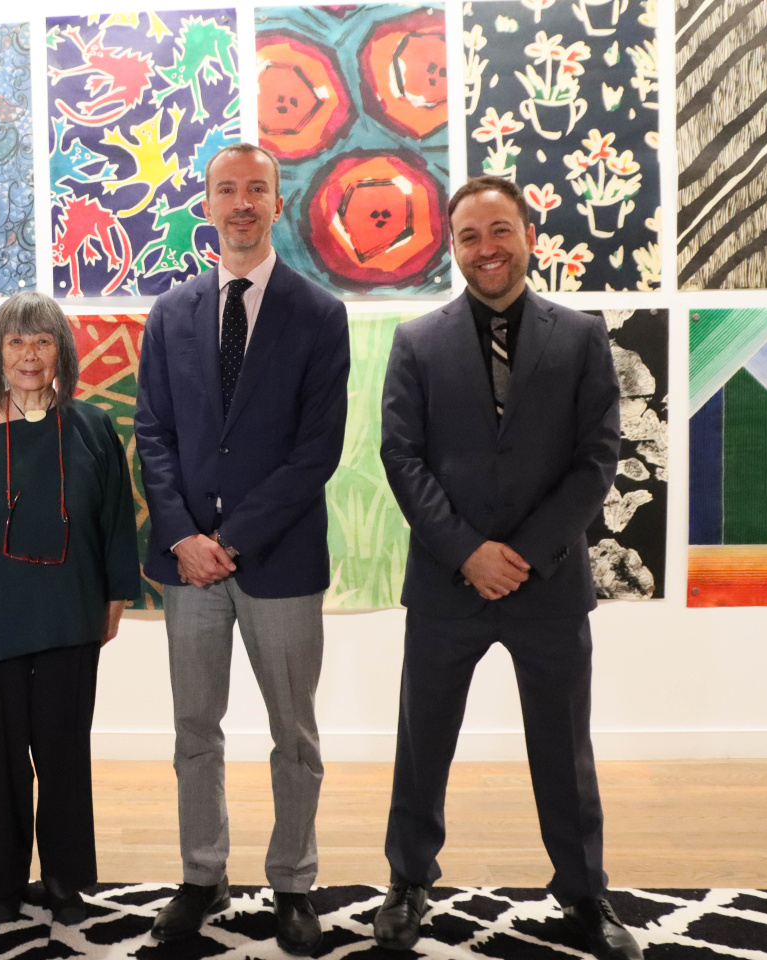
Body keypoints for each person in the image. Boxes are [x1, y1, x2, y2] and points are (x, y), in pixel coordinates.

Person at [374, 175, 638, 960]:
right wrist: (467, 551)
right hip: (446, 583)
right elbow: (402, 456)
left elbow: (597, 460)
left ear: (529, 232)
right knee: (423, 742)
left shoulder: (582, 334)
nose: (485, 250)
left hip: (546, 582)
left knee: (564, 745)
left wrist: (522, 554)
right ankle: (409, 881)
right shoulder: (417, 341)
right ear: (452, 245)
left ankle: (584, 892)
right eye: (469, 237)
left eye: (499, 232)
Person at [134, 143, 350, 955]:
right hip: (189, 568)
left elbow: (315, 453)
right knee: (197, 728)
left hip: (281, 563)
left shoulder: (319, 315)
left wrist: (230, 538)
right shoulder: (172, 313)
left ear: (278, 204)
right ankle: (202, 875)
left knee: (294, 732)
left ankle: (293, 882)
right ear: (209, 204)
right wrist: (185, 538)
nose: (242, 203)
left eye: (257, 190)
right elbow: (152, 434)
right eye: (227, 190)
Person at [0, 291, 141, 926]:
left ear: (60, 350)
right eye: (16, 342)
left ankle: (65, 882)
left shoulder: (93, 426)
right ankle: (3, 885)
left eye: (42, 341)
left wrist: (116, 596)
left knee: (64, 753)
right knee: (3, 760)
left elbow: (117, 518)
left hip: (70, 614)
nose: (30, 355)